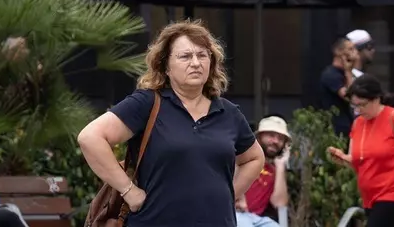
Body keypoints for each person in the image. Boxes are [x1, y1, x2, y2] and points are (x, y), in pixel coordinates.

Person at [77, 20, 265, 227]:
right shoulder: (147, 103)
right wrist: (128, 190)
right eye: (185, 56)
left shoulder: (228, 113)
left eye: (202, 55)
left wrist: (228, 196)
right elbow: (90, 138)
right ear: (165, 66)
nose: (196, 63)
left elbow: (254, 158)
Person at [327, 74, 394, 227]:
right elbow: (359, 162)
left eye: (362, 105)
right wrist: (344, 159)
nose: (358, 110)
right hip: (370, 197)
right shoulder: (358, 124)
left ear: (376, 99)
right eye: (354, 106)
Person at [236, 116, 291, 227]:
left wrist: (280, 166)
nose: (276, 141)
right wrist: (240, 197)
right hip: (233, 213)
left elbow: (280, 204)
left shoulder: (275, 171)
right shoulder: (243, 156)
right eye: (271, 135)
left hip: (256, 219)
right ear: (259, 136)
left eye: (281, 139)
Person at [319, 37, 358, 136]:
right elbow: (350, 97)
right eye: (350, 49)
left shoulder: (346, 73)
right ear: (338, 52)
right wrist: (348, 71)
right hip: (336, 130)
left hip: (348, 126)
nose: (355, 52)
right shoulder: (331, 75)